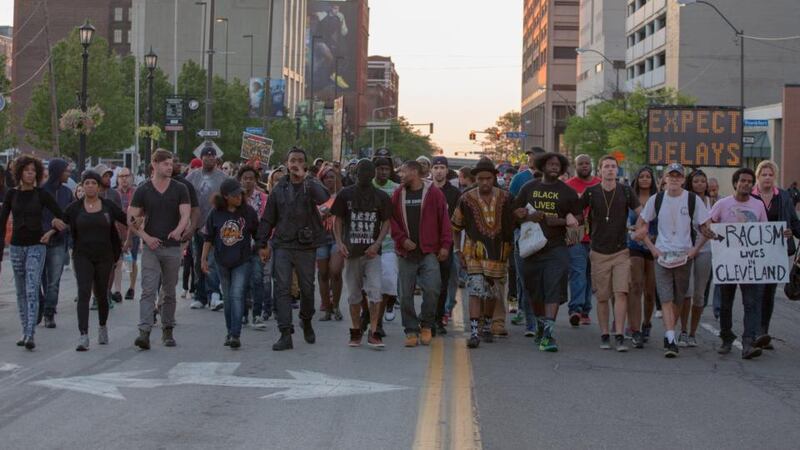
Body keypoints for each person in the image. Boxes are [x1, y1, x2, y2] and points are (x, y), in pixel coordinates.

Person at [257, 147, 330, 351]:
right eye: (292, 160)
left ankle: (306, 320)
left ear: (305, 165)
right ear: (287, 163)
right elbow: (268, 217)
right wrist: (262, 243)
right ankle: (285, 333)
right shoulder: (279, 188)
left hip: (306, 246)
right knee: (282, 288)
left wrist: (307, 178)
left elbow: (324, 198)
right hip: (283, 244)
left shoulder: (310, 185)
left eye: (299, 160)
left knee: (307, 288)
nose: (295, 163)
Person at [636, 163, 709, 358]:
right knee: (666, 297)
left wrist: (695, 250)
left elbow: (706, 228)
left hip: (684, 256)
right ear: (665, 179)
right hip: (663, 256)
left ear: (683, 180)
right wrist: (653, 249)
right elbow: (642, 225)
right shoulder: (656, 199)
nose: (675, 179)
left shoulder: (693, 200)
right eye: (671, 176)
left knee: (679, 298)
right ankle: (670, 338)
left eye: (678, 176)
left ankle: (670, 333)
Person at [512, 152, 581, 352]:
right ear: (542, 166)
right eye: (550, 164)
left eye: (558, 165)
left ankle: (549, 334)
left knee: (553, 289)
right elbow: (514, 213)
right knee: (534, 292)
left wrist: (561, 220)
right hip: (531, 248)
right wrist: (526, 216)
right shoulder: (528, 188)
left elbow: (579, 220)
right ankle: (541, 326)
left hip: (556, 248)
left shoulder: (567, 191)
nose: (554, 167)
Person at [0, 155, 67, 350]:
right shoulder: (11, 195)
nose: (30, 173)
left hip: (37, 245)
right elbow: (2, 223)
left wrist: (52, 230)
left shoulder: (42, 194)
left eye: (33, 170)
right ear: (19, 172)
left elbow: (63, 215)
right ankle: (24, 330)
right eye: (26, 170)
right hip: (16, 247)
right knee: (20, 291)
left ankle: (30, 333)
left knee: (32, 288)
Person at [128, 149, 191, 350]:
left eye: (171, 164)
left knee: (169, 291)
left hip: (172, 247)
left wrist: (179, 230)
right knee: (148, 289)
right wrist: (146, 237)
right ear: (154, 164)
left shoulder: (180, 188)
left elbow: (185, 214)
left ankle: (167, 329)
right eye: (165, 164)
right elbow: (131, 219)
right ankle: (144, 332)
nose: (169, 167)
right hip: (151, 247)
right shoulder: (143, 190)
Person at [704, 168, 770, 359]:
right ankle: (726, 337)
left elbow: (765, 231)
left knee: (751, 303)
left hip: (750, 263)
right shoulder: (723, 204)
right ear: (735, 183)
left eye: (750, 181)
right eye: (743, 181)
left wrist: (779, 235)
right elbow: (707, 221)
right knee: (726, 303)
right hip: (728, 262)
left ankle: (748, 342)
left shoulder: (758, 206)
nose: (746, 184)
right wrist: (709, 231)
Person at [452, 157, 514, 348]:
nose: (485, 182)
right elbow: (456, 226)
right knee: (476, 291)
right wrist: (457, 250)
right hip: (474, 253)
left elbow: (513, 223)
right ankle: (474, 332)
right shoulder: (466, 199)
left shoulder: (506, 198)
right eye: (481, 179)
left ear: (494, 178)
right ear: (476, 179)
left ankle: (487, 325)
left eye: (488, 178)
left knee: (492, 293)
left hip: (498, 252)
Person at [63, 171, 128, 351]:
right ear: (82, 186)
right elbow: (60, 221)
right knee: (83, 293)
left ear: (99, 187)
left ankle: (102, 326)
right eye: (87, 183)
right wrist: (50, 230)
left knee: (101, 295)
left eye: (93, 183)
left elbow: (127, 219)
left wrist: (140, 224)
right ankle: (83, 335)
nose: (90, 186)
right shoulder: (74, 208)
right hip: (82, 255)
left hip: (104, 255)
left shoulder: (107, 206)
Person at [391, 160, 452, 347]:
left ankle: (426, 324)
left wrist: (445, 246)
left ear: (415, 172)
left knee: (433, 289)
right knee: (405, 295)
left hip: (429, 252)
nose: (401, 175)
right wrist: (402, 239)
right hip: (406, 254)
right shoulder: (398, 194)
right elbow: (391, 220)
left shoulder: (434, 193)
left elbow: (444, 220)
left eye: (404, 172)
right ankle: (410, 329)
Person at [581, 156, 639, 351]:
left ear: (617, 170)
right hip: (598, 251)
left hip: (621, 250)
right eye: (606, 166)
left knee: (621, 292)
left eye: (613, 167)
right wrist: (572, 219)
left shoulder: (625, 190)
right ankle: (605, 333)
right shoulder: (591, 192)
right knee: (603, 296)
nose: (610, 170)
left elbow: (643, 213)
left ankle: (620, 334)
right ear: (600, 171)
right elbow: (574, 210)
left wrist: (641, 228)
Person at [332, 159, 392, 348]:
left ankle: (374, 331)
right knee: (354, 295)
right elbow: (338, 220)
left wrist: (377, 243)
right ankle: (356, 330)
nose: (365, 176)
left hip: (372, 254)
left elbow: (387, 222)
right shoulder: (345, 194)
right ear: (356, 174)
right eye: (361, 173)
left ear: (373, 175)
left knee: (375, 292)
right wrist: (340, 242)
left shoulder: (381, 196)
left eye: (368, 173)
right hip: (352, 252)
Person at [201, 178, 259, 349]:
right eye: (235, 195)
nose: (239, 197)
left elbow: (257, 233)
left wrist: (263, 249)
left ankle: (235, 334)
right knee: (227, 298)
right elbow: (208, 238)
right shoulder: (215, 213)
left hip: (243, 260)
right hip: (222, 261)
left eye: (240, 194)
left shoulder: (248, 212)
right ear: (226, 196)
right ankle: (229, 331)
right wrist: (203, 259)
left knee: (236, 294)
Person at [751, 160, 800, 347]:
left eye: (771, 174)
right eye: (764, 174)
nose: (767, 178)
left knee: (769, 293)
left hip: (775, 252)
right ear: (758, 177)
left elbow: (793, 222)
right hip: (752, 254)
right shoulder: (750, 196)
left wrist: (790, 231)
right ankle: (752, 332)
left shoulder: (784, 197)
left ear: (775, 177)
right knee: (755, 292)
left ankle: (763, 332)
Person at [187, 146, 228, 311]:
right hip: (197, 225)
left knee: (212, 261)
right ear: (201, 158)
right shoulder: (192, 177)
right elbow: (185, 198)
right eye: (206, 156)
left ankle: (214, 294)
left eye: (212, 156)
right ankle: (200, 295)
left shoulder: (223, 178)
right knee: (198, 261)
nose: (209, 158)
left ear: (216, 159)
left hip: (216, 227)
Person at [507, 147, 543, 335]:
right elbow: (511, 203)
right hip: (523, 232)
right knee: (524, 277)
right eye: (529, 156)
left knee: (540, 280)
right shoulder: (519, 179)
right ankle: (527, 316)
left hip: (545, 235)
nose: (531, 159)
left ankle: (539, 319)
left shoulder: (550, 179)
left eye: (535, 156)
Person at [678, 169, 714, 348]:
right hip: (685, 250)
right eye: (696, 181)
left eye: (703, 181)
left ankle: (693, 332)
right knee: (687, 292)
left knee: (699, 294)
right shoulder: (684, 200)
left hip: (705, 250)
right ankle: (683, 330)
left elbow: (715, 226)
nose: (700, 184)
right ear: (690, 183)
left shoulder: (713, 202)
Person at [565, 154, 601, 327]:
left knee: (589, 274)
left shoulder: (600, 183)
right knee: (578, 271)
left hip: (596, 233)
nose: (585, 166)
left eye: (587, 163)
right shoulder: (568, 185)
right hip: (576, 233)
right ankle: (575, 310)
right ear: (575, 166)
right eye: (581, 163)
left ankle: (586, 310)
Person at [39, 158, 73, 328]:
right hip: (39, 242)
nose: (69, 173)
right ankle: (40, 305)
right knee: (37, 278)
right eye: (66, 171)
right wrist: (50, 223)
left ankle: (49, 312)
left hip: (59, 241)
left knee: (53, 280)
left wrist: (59, 227)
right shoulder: (41, 191)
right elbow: (36, 216)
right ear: (58, 172)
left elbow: (69, 217)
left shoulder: (67, 192)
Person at [430, 156, 462, 337]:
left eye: (442, 167)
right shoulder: (425, 189)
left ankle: (438, 318)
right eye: (436, 167)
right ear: (431, 170)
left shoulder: (455, 193)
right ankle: (427, 316)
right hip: (426, 243)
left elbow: (458, 221)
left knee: (442, 284)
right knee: (428, 284)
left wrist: (456, 246)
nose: (439, 171)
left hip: (446, 244)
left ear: (447, 170)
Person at [627, 167, 658, 346]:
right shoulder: (631, 198)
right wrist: (630, 229)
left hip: (653, 247)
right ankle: (635, 329)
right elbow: (623, 221)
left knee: (649, 291)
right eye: (642, 177)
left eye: (648, 177)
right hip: (634, 246)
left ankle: (647, 323)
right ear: (636, 179)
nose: (645, 180)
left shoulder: (658, 199)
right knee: (635, 286)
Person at [238, 165, 271, 328]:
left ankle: (257, 314)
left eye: (251, 178)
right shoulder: (235, 200)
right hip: (239, 247)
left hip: (258, 244)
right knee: (243, 281)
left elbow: (268, 221)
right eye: (245, 178)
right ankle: (243, 313)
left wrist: (265, 243)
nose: (248, 181)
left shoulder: (264, 198)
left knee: (258, 278)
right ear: (240, 180)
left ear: (256, 180)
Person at [373, 155, 401, 328]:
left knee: (388, 284)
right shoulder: (367, 187)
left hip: (390, 244)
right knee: (371, 286)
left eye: (386, 169)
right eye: (380, 168)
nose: (383, 172)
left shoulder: (397, 189)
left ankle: (388, 304)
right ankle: (374, 321)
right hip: (368, 244)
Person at [316, 165, 344, 321]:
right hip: (320, 238)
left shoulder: (342, 195)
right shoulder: (316, 195)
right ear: (322, 179)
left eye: (332, 177)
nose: (330, 180)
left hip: (337, 238)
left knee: (335, 271)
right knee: (323, 274)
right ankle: (327, 309)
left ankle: (336, 306)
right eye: (326, 177)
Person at [111, 167, 139, 301]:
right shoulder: (114, 193)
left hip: (133, 231)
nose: (124, 179)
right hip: (116, 232)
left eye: (126, 176)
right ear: (117, 179)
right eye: (121, 176)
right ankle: (117, 291)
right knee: (117, 261)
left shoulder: (136, 193)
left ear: (131, 177)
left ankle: (132, 287)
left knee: (131, 261)